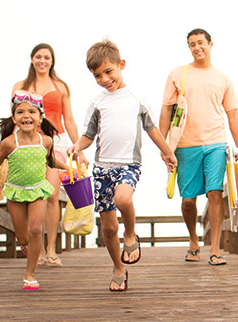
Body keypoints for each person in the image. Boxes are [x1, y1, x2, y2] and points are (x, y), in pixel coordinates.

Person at [68, 38, 177, 291]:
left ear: (121, 65)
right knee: (107, 227)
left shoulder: (137, 98)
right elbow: (88, 135)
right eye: (97, 75)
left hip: (129, 164)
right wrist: (76, 146)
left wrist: (167, 152)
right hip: (101, 168)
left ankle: (130, 234)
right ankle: (118, 267)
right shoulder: (97, 103)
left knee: (123, 199)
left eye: (109, 71)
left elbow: (151, 129)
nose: (105, 79)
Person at [0, 91, 66, 290]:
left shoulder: (46, 142)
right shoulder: (9, 143)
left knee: (35, 230)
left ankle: (29, 275)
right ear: (14, 118)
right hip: (16, 191)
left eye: (32, 112)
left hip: (37, 190)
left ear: (40, 118)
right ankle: (26, 245)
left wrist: (69, 168)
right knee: (23, 237)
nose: (26, 116)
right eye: (20, 112)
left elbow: (50, 161)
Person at [159, 29, 238, 266]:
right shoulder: (178, 74)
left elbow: (233, 114)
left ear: (210, 44)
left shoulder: (223, 78)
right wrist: (164, 144)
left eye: (200, 43)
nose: (196, 47)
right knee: (188, 199)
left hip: (215, 142)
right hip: (185, 145)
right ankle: (194, 241)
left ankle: (215, 250)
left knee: (215, 193)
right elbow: (166, 109)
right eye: (191, 44)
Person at [11, 43, 83, 267]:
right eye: (38, 57)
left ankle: (51, 248)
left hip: (56, 141)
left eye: (47, 57)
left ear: (52, 61)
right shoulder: (21, 86)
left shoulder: (60, 86)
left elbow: (68, 119)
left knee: (51, 195)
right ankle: (37, 249)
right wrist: (11, 145)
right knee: (34, 195)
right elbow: (14, 116)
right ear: (32, 59)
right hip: (28, 143)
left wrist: (78, 147)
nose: (42, 61)